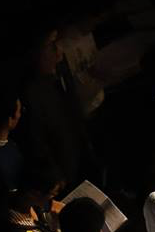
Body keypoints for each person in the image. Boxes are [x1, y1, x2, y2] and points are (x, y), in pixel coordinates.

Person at [20, 28, 99, 188]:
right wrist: (55, 176)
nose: (59, 54)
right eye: (52, 47)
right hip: (62, 176)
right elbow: (37, 139)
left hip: (79, 161)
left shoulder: (57, 77)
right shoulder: (32, 93)